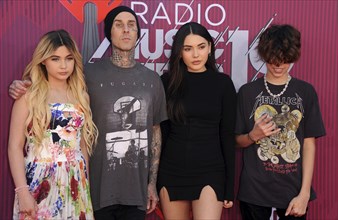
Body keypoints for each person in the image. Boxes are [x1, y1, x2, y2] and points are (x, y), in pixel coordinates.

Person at [9, 6, 167, 220]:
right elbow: (16, 145)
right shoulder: (84, 78)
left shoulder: (84, 92)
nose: (63, 65)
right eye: (119, 25)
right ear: (108, 33)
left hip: (89, 185)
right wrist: (19, 86)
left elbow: (153, 130)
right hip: (54, 182)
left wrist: (151, 182)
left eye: (131, 25)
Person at [235, 24, 326, 220]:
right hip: (254, 192)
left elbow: (309, 144)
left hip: (293, 192)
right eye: (273, 60)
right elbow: (236, 141)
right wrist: (254, 135)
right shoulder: (247, 92)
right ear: (264, 55)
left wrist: (304, 194)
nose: (279, 65)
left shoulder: (305, 92)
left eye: (285, 60)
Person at [8, 30, 98, 219]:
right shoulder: (28, 96)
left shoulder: (82, 97)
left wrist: (85, 185)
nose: (63, 65)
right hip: (40, 180)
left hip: (76, 181)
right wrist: (22, 192)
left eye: (69, 58)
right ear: (43, 60)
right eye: (55, 59)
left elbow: (82, 146)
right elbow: (14, 147)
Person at [157, 22, 237, 220]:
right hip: (171, 170)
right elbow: (161, 134)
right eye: (188, 48)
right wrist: (152, 181)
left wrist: (228, 188)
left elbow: (227, 136)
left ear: (210, 48)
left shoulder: (223, 84)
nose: (195, 55)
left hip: (210, 170)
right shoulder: (167, 82)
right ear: (179, 52)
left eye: (201, 47)